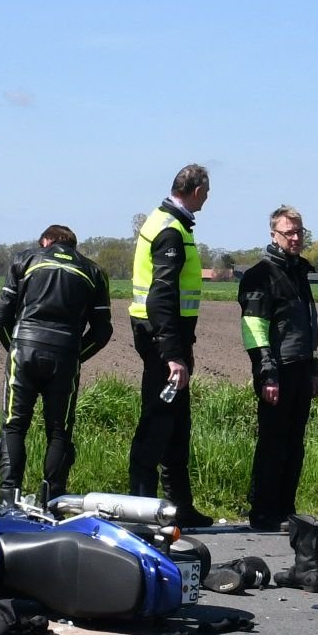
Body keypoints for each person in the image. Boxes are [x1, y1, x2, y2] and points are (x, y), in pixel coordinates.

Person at [0, 222, 112, 505]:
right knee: (59, 431)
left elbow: (0, 314)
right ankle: (53, 499)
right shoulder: (94, 271)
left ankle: (9, 498)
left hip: (24, 350)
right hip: (66, 355)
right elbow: (103, 332)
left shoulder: (25, 259)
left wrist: (13, 348)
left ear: (46, 241)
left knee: (14, 426)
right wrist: (76, 356)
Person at [127, 162, 216, 526]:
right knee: (158, 422)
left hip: (168, 338)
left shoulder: (168, 222)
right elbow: (160, 296)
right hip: (164, 341)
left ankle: (180, 506)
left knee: (178, 423)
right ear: (196, 191)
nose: (207, 200)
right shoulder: (170, 231)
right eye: (207, 193)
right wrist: (173, 355)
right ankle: (142, 508)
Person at [238, 204, 318, 529]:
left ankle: (285, 508)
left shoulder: (299, 272)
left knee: (294, 444)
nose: (296, 238)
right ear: (274, 234)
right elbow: (255, 330)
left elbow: (306, 327)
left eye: (300, 232)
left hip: (301, 368)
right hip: (277, 371)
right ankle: (263, 511)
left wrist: (313, 370)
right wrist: (267, 374)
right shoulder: (260, 275)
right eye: (289, 232)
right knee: (273, 444)